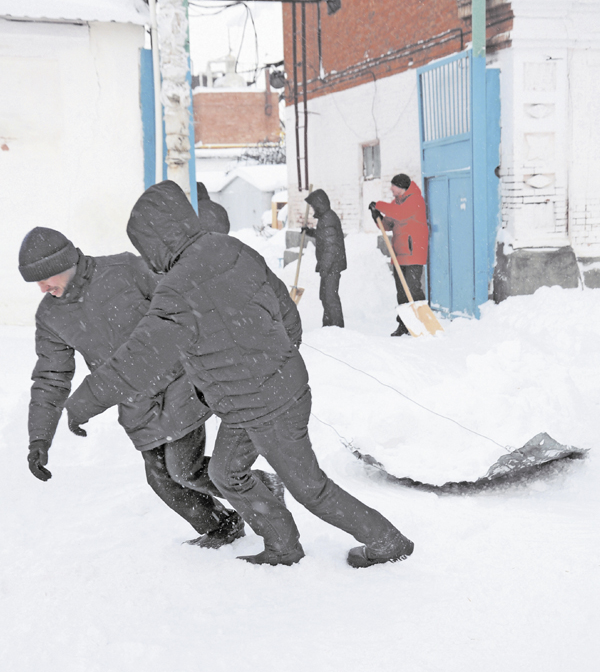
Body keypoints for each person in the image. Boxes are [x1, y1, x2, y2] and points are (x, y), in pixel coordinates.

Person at [65, 180, 414, 569]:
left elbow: (134, 361)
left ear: (154, 240)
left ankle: (387, 541)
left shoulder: (176, 291)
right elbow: (287, 313)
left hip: (263, 402)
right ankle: (283, 545)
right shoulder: (230, 248)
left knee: (311, 488)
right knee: (227, 471)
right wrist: (275, 362)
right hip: (260, 396)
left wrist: (81, 403)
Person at [18, 226, 281, 549]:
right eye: (37, 283)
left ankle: (262, 486)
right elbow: (50, 377)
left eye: (47, 278)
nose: (43, 288)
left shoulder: (124, 270)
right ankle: (221, 525)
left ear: (66, 263)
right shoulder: (51, 316)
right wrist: (40, 439)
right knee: (163, 480)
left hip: (179, 379)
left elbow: (183, 301)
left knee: (183, 468)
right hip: (134, 401)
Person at [369, 173, 429, 337]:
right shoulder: (395, 203)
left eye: (393, 186)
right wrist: (377, 216)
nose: (391, 188)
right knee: (401, 292)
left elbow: (401, 214)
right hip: (398, 255)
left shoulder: (416, 200)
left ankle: (422, 322)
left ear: (401, 187)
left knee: (413, 288)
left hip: (414, 252)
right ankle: (404, 324)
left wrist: (379, 205)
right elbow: (388, 224)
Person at [302, 189, 347, 328]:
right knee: (325, 296)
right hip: (331, 264)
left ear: (319, 204)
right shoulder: (326, 218)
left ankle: (336, 328)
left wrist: (325, 267)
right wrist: (310, 232)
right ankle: (329, 326)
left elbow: (331, 247)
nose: (312, 208)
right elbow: (325, 237)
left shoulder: (328, 219)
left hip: (332, 265)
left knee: (330, 297)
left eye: (313, 205)